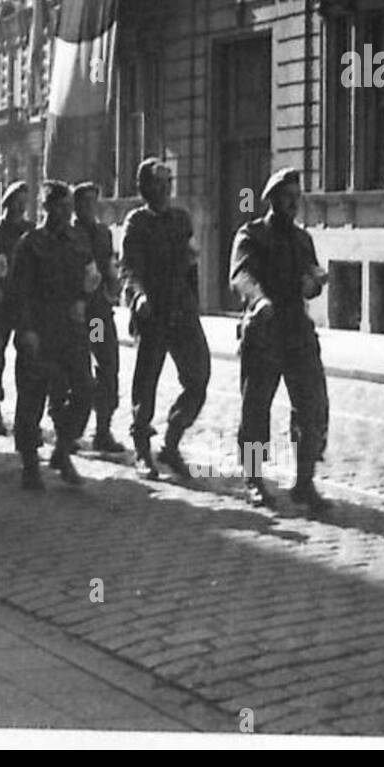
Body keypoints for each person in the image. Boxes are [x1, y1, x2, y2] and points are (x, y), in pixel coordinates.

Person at [229, 167, 330, 512]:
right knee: (256, 409)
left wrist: (314, 282)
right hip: (264, 332)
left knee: (312, 406)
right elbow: (240, 274)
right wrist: (257, 300)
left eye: (297, 198)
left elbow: (312, 276)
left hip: (297, 332)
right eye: (287, 198)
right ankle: (254, 479)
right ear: (272, 199)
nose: (293, 204)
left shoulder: (303, 240)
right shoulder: (252, 234)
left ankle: (304, 482)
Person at [120, 158, 211, 481]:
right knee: (146, 383)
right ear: (145, 188)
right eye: (158, 184)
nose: (164, 190)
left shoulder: (181, 219)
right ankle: (142, 450)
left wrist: (195, 306)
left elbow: (191, 265)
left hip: (182, 311)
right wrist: (139, 297)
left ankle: (171, 443)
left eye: (168, 183)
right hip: (153, 312)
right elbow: (129, 268)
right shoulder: (137, 223)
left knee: (198, 377)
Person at [10, 180, 96, 489]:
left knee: (85, 390)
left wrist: (85, 298)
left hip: (70, 329)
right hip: (39, 328)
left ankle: (62, 449)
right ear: (47, 207)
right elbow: (17, 294)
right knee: (32, 398)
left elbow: (90, 277)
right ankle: (30, 463)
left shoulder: (78, 240)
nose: (67, 213)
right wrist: (26, 330)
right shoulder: (29, 244)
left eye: (69, 207)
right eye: (60, 207)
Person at [73, 181, 124, 452]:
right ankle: (69, 431)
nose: (90, 208)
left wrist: (113, 283)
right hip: (75, 314)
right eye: (85, 202)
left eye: (94, 202)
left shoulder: (103, 233)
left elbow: (110, 265)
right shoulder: (69, 233)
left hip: (97, 314)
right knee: (75, 372)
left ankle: (102, 429)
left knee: (106, 364)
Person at [0, 181, 33, 437]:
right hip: (0, 303)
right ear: (7, 201)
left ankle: (24, 418)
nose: (21, 205)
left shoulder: (31, 231)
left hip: (23, 301)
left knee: (28, 359)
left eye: (25, 200)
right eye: (17, 199)